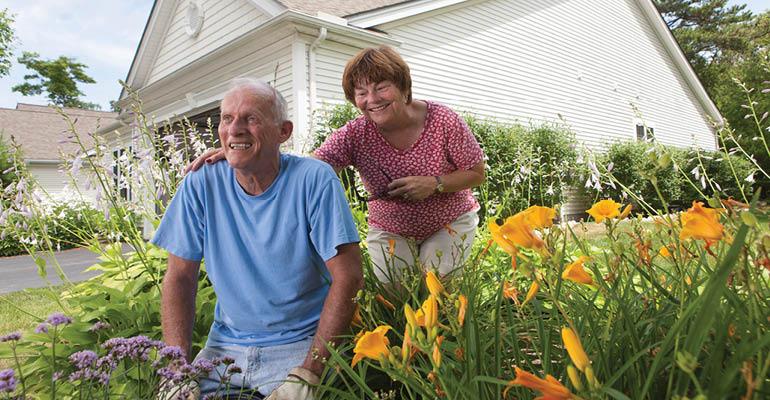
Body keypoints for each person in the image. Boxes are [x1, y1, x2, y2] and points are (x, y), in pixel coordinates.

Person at [188, 46, 485, 282]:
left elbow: (476, 173)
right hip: (391, 228)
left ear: (403, 87)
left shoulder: (443, 120)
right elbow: (311, 168)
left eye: (381, 87)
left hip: (448, 221)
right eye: (361, 92)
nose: (372, 99)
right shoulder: (355, 134)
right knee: (393, 297)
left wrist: (435, 184)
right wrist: (247, 151)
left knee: (437, 288)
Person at [154, 78, 362, 399]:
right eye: (227, 118)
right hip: (224, 348)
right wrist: (177, 367)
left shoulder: (314, 180)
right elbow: (180, 277)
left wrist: (309, 373)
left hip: (299, 345)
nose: (235, 128)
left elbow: (348, 277)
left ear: (283, 132)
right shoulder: (201, 182)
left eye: (251, 119)